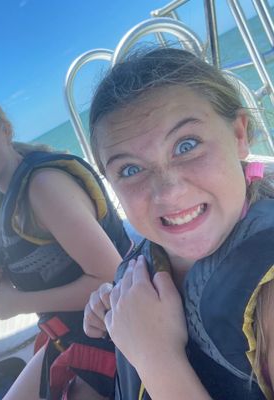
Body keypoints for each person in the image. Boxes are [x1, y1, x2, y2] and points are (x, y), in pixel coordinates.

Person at [83, 47, 274, 399]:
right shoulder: (150, 260)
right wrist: (118, 307)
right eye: (130, 169)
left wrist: (155, 355)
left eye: (186, 145)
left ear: (239, 135)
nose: (168, 192)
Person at [0, 89, 133, 400]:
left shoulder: (44, 187)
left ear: (5, 129)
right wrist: (0, 273)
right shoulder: (5, 198)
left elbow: (111, 278)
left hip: (118, 333)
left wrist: (16, 304)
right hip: (73, 335)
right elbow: (45, 262)